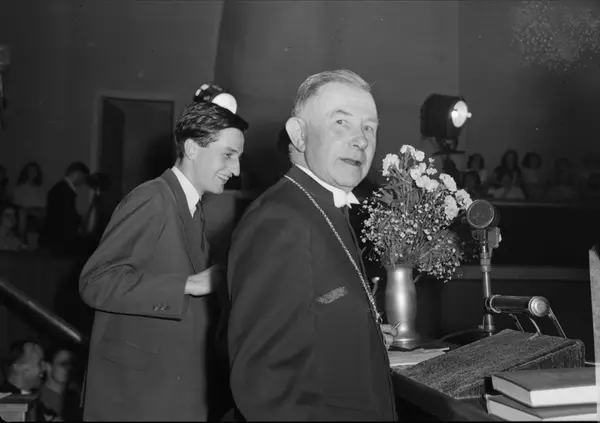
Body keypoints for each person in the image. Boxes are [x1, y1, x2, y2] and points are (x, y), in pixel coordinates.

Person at [227, 69, 398, 421]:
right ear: (299, 135)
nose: (361, 140)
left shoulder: (326, 208)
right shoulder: (281, 219)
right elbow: (266, 387)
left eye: (369, 127)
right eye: (341, 122)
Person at [79, 100, 248, 421]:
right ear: (192, 148)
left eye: (239, 157)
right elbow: (95, 282)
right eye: (228, 154)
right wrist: (186, 285)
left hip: (171, 389)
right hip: (138, 397)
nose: (237, 169)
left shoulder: (192, 208)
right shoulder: (152, 198)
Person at [40, 162, 90, 254]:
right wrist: (80, 220)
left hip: (55, 236)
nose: (83, 181)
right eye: (83, 177)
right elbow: (67, 216)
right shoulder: (65, 191)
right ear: (77, 174)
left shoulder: (59, 188)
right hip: (60, 238)